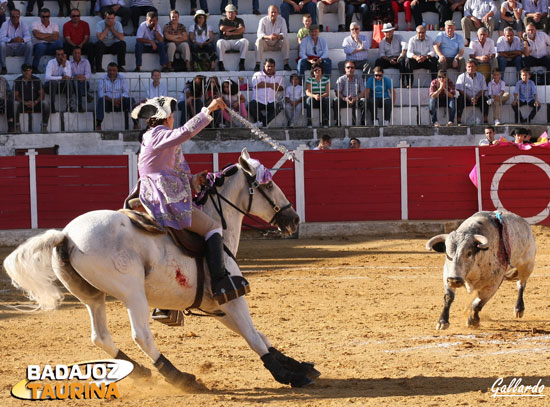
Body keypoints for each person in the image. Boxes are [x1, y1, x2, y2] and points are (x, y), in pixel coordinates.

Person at [130, 95, 249, 307]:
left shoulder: (151, 136)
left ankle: (170, 307)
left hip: (156, 192)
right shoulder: (159, 134)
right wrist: (208, 110)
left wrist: (194, 180)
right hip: (163, 197)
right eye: (172, 116)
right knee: (213, 227)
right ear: (166, 118)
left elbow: (171, 170)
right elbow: (184, 133)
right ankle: (220, 283)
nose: (173, 119)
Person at [95, 62, 136, 131]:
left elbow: (126, 92)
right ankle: (98, 124)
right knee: (101, 101)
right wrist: (113, 101)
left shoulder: (122, 78)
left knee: (131, 101)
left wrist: (118, 100)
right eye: (110, 70)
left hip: (120, 102)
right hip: (108, 102)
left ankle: (136, 123)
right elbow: (101, 94)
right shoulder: (102, 79)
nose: (111, 72)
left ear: (117, 71)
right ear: (107, 70)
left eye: (114, 70)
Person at [14, 64, 50, 132]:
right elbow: (15, 96)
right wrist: (25, 102)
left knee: (46, 103)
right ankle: (17, 126)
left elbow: (42, 95)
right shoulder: (18, 80)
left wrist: (35, 102)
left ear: (31, 70)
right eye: (24, 70)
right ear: (22, 71)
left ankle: (44, 126)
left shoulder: (37, 80)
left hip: (36, 103)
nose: (27, 72)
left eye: (28, 70)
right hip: (23, 104)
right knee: (15, 104)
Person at [255, 5, 291, 72]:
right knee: (259, 40)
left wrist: (277, 36)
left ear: (278, 13)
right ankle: (257, 64)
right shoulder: (263, 20)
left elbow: (284, 33)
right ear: (268, 13)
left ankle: (286, 64)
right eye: (272, 12)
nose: (273, 14)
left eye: (275, 12)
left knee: (285, 40)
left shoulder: (282, 20)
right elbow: (259, 34)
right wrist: (269, 37)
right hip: (266, 44)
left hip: (277, 43)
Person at [250, 58, 284, 127]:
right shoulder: (257, 74)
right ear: (264, 66)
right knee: (251, 105)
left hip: (271, 101)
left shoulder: (279, 76)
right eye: (268, 66)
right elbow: (257, 85)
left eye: (272, 66)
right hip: (258, 100)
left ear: (274, 67)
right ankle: (263, 123)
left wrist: (264, 84)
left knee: (279, 107)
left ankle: (261, 123)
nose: (270, 68)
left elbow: (281, 88)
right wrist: (273, 85)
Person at [375, 23, 409, 87]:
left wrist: (402, 54)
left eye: (389, 31)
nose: (388, 33)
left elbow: (405, 45)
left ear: (393, 31)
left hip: (398, 58)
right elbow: (382, 54)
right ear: (384, 33)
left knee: (403, 61)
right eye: (386, 32)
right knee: (378, 61)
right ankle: (377, 81)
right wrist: (389, 60)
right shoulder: (382, 42)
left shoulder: (399, 37)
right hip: (387, 59)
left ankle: (403, 82)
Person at [455, 59, 488, 125]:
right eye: (469, 66)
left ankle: (485, 119)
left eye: (472, 66)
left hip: (478, 98)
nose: (471, 68)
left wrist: (476, 97)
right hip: (466, 98)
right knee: (460, 98)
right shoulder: (461, 76)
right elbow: (460, 90)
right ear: (466, 67)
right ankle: (459, 120)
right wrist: (469, 98)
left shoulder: (481, 76)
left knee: (484, 99)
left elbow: (483, 89)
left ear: (476, 67)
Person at [0, 8, 32, 75]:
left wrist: (22, 39)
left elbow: (28, 37)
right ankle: (3, 67)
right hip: (8, 49)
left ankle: (27, 66)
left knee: (29, 44)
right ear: (10, 17)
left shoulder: (24, 25)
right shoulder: (5, 24)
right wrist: (12, 40)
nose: (15, 18)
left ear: (19, 16)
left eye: (17, 16)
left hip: (19, 48)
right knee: (2, 44)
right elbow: (2, 38)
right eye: (13, 16)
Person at [216, 4, 248, 71]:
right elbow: (222, 28)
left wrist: (230, 33)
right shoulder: (223, 20)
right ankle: (220, 63)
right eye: (229, 12)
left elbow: (242, 30)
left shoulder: (239, 20)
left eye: (232, 12)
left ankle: (242, 62)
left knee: (245, 41)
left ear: (235, 13)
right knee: (219, 42)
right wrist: (234, 28)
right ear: (226, 13)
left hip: (237, 41)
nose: (230, 14)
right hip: (226, 41)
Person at [334, 60, 366, 126]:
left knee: (364, 101)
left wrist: (355, 98)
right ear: (345, 69)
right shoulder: (341, 79)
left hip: (356, 99)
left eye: (352, 67)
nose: (350, 69)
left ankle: (363, 121)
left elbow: (363, 92)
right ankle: (338, 121)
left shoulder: (359, 79)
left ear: (354, 69)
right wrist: (344, 98)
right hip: (344, 99)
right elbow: (337, 92)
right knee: (336, 100)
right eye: (348, 67)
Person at [94, 8, 127, 73]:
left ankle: (120, 66)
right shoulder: (99, 24)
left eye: (112, 18)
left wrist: (112, 28)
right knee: (98, 44)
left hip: (113, 46)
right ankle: (99, 67)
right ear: (105, 18)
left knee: (122, 44)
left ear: (114, 18)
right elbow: (100, 38)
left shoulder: (118, 24)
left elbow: (121, 38)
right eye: (108, 18)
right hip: (103, 46)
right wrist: (107, 28)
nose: (110, 20)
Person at [32, 8, 63, 73]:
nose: (45, 18)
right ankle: (34, 67)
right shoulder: (35, 23)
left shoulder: (54, 24)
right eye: (43, 16)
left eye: (47, 16)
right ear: (40, 16)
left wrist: (42, 37)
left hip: (51, 46)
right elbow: (37, 35)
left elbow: (56, 37)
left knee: (59, 42)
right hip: (40, 47)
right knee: (41, 46)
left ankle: (61, 65)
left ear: (49, 16)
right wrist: (50, 35)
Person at [44, 48, 75, 113]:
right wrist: (61, 77)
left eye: (62, 55)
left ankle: (69, 105)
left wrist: (64, 66)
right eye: (58, 55)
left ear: (64, 55)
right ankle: (52, 105)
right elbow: (47, 77)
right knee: (53, 82)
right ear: (55, 55)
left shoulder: (67, 63)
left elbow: (68, 77)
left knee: (69, 82)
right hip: (50, 86)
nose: (60, 56)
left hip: (61, 86)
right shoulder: (51, 62)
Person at [305, 62, 331, 127]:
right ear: (313, 71)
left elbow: (327, 92)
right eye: (315, 70)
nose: (317, 71)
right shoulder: (309, 80)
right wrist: (315, 96)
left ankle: (325, 120)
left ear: (322, 71)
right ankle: (309, 120)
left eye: (319, 70)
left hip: (323, 95)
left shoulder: (326, 80)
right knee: (308, 100)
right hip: (313, 96)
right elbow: (308, 92)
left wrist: (321, 96)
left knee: (326, 100)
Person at [69, 46, 92, 112]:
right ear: (72, 54)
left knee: (80, 83)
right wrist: (75, 77)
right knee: (77, 83)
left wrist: (83, 77)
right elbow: (69, 75)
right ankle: (85, 96)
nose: (77, 55)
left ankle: (80, 104)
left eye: (78, 53)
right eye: (75, 53)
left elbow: (88, 74)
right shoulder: (69, 63)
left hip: (83, 82)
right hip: (73, 83)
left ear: (80, 54)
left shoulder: (86, 61)